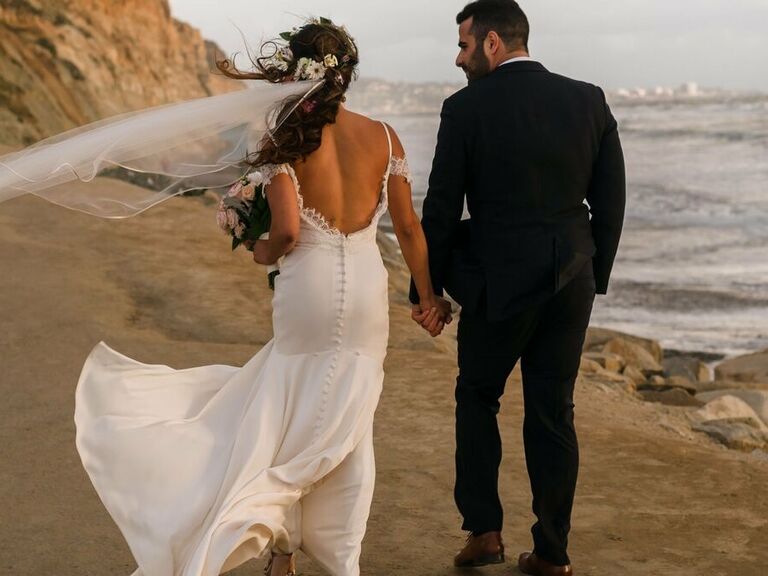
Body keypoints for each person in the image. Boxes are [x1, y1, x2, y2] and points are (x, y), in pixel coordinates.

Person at [68, 19, 451, 576]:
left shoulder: (286, 139)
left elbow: (290, 234)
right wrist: (428, 296)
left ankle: (266, 531)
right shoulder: (385, 137)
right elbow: (410, 228)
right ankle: (332, 557)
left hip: (309, 293)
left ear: (294, 75)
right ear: (345, 75)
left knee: (288, 403)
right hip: (366, 293)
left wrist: (260, 250)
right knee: (347, 415)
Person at [409, 1, 626, 575]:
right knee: (553, 411)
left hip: (499, 283)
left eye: (463, 45)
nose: (458, 58)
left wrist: (424, 292)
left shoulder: (464, 108)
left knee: (477, 395)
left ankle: (484, 534)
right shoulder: (588, 98)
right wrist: (593, 274)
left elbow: (439, 207)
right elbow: (610, 201)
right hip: (571, 277)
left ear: (493, 44)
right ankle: (553, 554)